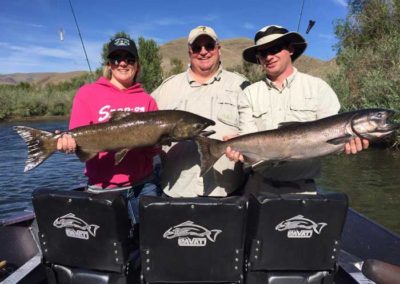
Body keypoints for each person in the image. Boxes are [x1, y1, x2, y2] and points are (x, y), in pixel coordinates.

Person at [225, 25, 369, 194]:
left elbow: (333, 135)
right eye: (263, 53)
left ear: (291, 49)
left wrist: (346, 145)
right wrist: (240, 151)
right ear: (259, 58)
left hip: (303, 189)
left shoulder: (318, 88)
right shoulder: (249, 93)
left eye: (275, 49)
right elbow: (248, 135)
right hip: (257, 188)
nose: (269, 57)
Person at [57, 36, 160, 224]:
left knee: (148, 245)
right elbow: (78, 137)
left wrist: (159, 142)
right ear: (109, 64)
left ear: (137, 65)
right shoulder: (87, 93)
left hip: (144, 186)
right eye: (116, 58)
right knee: (108, 251)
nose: (122, 63)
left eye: (129, 59)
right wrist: (68, 144)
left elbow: (153, 150)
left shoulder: (147, 100)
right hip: (102, 189)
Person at [151, 25, 251, 198]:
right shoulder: (167, 88)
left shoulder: (242, 86)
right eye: (197, 48)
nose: (203, 52)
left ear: (219, 49)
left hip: (228, 191)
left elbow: (257, 132)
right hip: (176, 191)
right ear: (190, 52)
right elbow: (140, 124)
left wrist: (244, 145)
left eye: (209, 46)